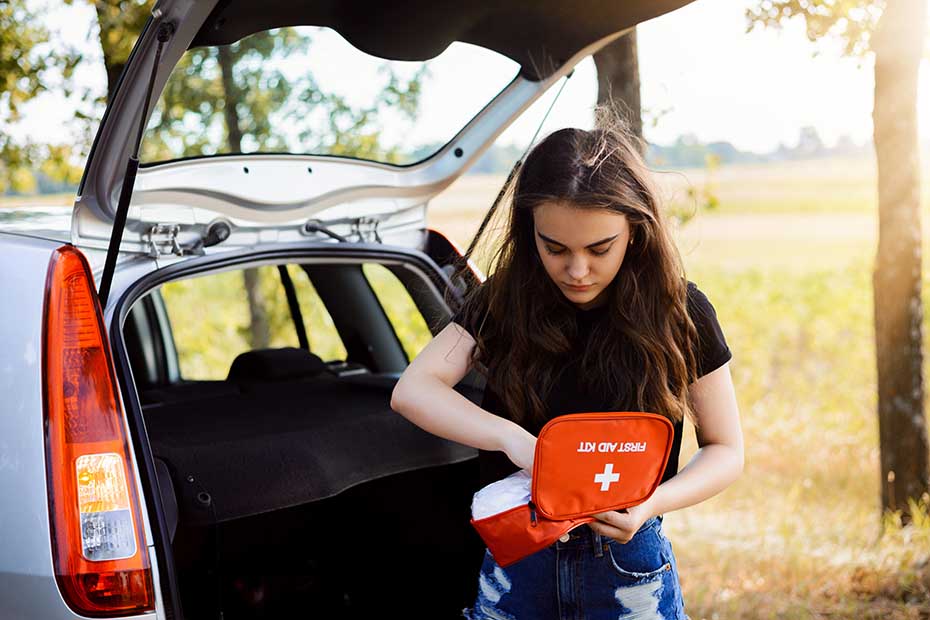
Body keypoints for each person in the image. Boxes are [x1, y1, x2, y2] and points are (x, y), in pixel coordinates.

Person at [389, 106, 743, 620]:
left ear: (636, 230)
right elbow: (413, 390)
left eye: (600, 248)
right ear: (529, 231)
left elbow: (726, 449)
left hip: (627, 565)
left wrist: (650, 505)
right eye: (554, 248)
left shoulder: (680, 311)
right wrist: (512, 439)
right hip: (518, 556)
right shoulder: (504, 303)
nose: (577, 271)